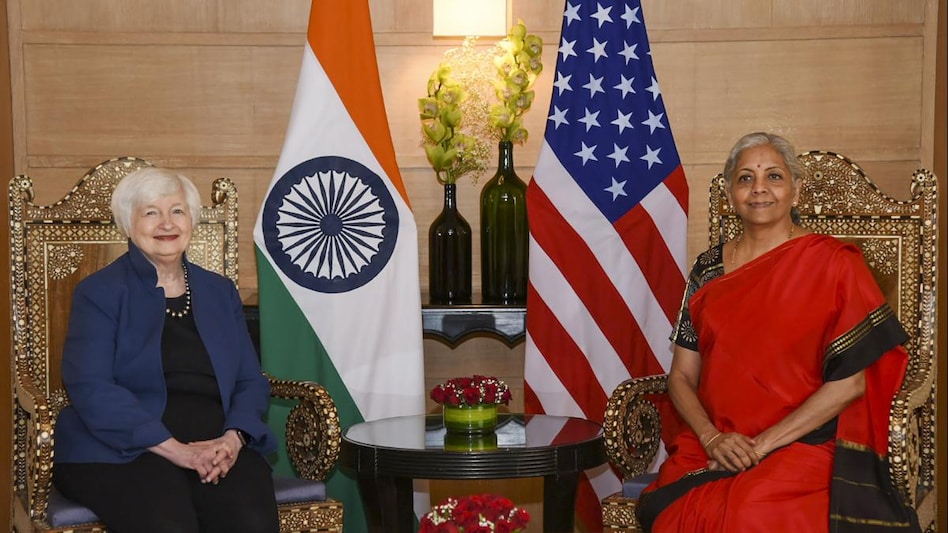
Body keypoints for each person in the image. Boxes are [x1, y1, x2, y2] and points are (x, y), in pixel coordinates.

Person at [635, 132, 921, 532]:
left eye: (774, 176)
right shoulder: (708, 271)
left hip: (804, 441)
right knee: (674, 513)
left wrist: (762, 446)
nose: (759, 189)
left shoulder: (834, 266)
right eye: (745, 178)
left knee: (748, 512)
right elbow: (681, 376)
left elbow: (851, 385)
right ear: (730, 195)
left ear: (796, 190)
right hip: (715, 441)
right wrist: (713, 439)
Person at [52, 167, 280, 533]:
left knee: (250, 521)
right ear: (128, 224)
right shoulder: (100, 292)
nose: (166, 223)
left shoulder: (219, 291)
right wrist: (177, 451)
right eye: (150, 212)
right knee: (168, 524)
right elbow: (91, 388)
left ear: (191, 220)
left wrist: (232, 439)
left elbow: (250, 381)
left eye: (177, 210)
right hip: (122, 447)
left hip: (215, 441)